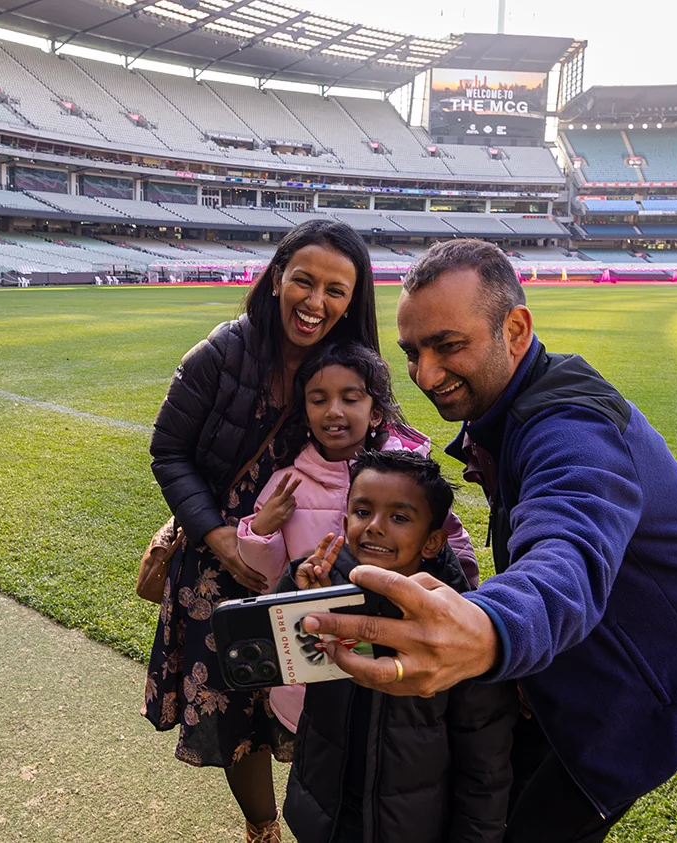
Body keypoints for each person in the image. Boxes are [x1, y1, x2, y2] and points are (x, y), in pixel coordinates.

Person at [304, 238, 677, 842]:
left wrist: (490, 628)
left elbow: (568, 547)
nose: (425, 374)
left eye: (448, 346)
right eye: (413, 352)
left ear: (517, 329)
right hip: (592, 645)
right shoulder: (509, 404)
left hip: (664, 671)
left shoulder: (569, 427)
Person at [144, 218, 379, 843]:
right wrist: (217, 537)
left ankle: (316, 818)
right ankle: (262, 829)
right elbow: (169, 452)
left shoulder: (349, 363)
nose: (315, 301)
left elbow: (381, 445)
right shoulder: (221, 352)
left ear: (353, 301)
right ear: (277, 278)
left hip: (313, 560)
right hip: (219, 559)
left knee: (317, 691)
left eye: (336, 290)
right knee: (236, 699)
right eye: (303, 281)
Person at [234, 342, 477, 733]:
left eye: (350, 398)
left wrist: (465, 595)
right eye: (319, 400)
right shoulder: (287, 483)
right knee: (322, 758)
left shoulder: (409, 476)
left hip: (398, 663)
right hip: (318, 667)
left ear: (375, 411)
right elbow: (269, 579)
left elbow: (449, 543)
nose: (334, 411)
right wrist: (261, 530)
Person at [280, 450, 516, 843]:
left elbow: (485, 764)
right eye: (362, 512)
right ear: (344, 521)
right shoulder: (326, 586)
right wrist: (294, 591)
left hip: (407, 825)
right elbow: (281, 651)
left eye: (400, 517)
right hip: (324, 807)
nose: (374, 527)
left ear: (432, 542)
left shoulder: (460, 628)